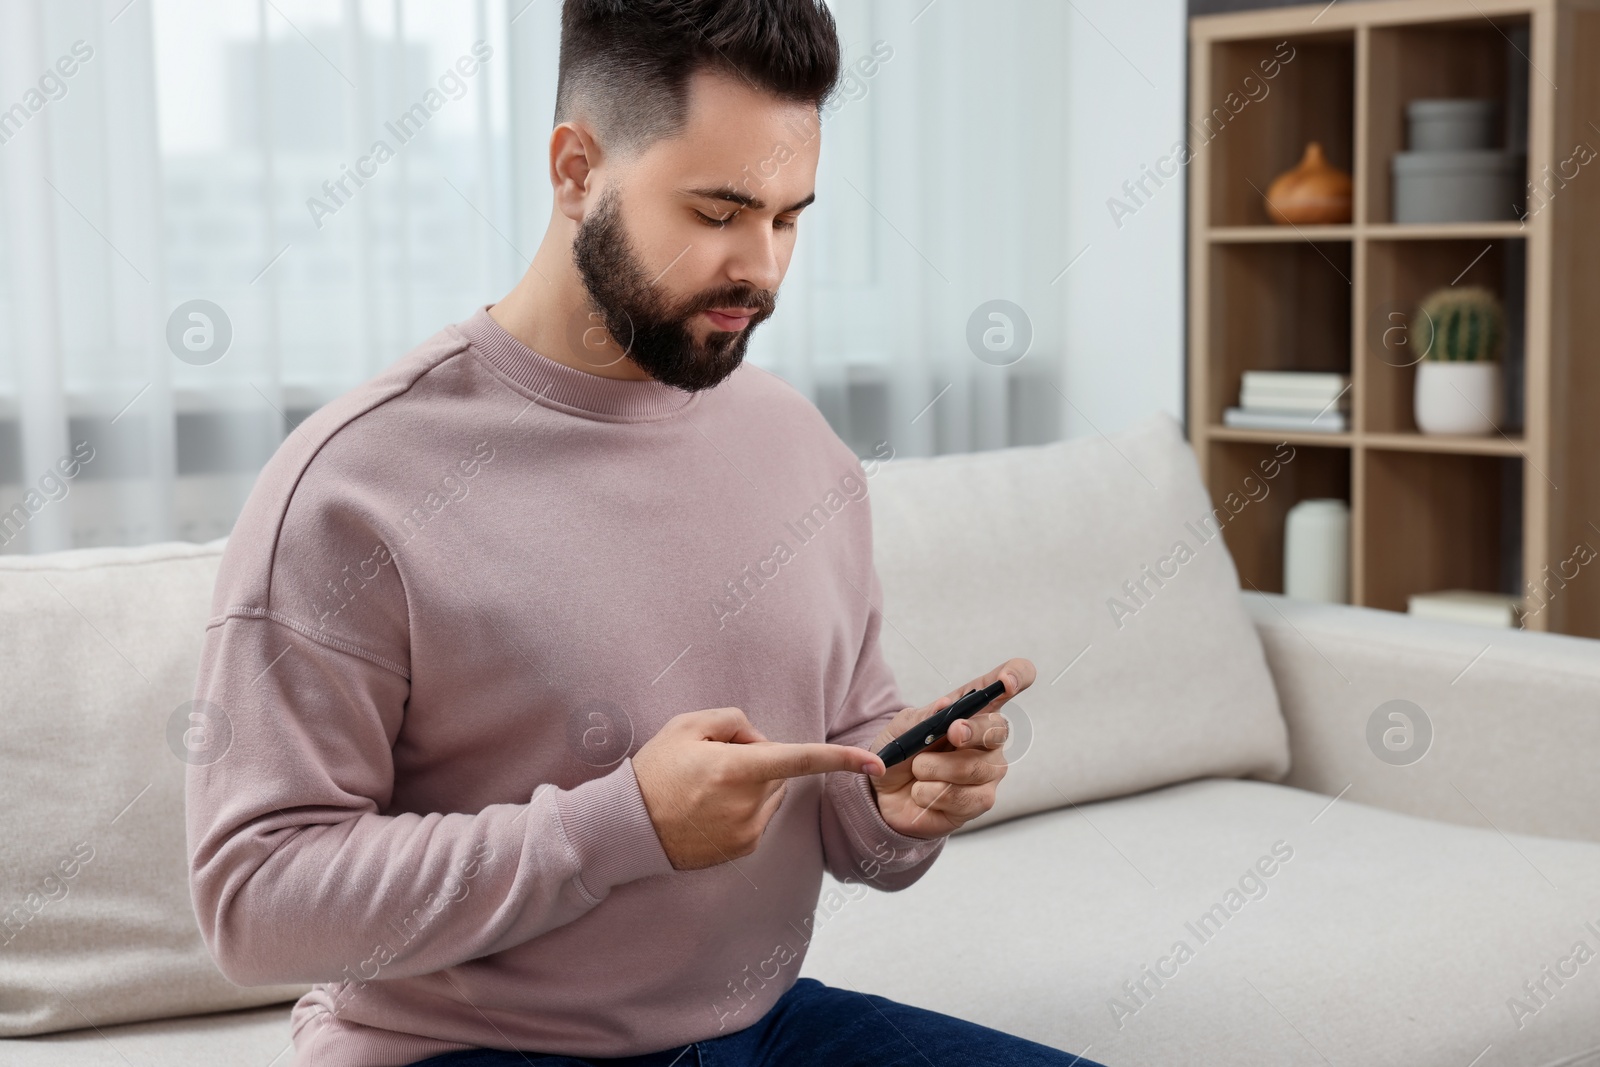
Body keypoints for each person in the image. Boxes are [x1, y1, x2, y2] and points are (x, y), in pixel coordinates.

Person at [186, 1, 1103, 1064]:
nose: (761, 268)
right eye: (717, 212)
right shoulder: (354, 487)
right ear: (576, 169)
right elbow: (253, 904)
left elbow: (851, 807)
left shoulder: (799, 449)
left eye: (789, 216)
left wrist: (897, 799)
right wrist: (619, 828)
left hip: (761, 1025)